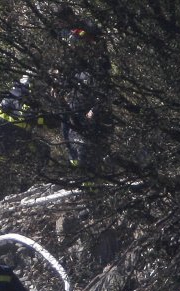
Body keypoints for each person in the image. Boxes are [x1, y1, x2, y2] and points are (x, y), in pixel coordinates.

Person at [0, 75, 60, 211]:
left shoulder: (18, 96)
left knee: (41, 151)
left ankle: (24, 193)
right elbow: (31, 116)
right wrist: (51, 119)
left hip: (8, 148)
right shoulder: (17, 97)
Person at [50, 6, 112, 175]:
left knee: (86, 127)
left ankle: (92, 168)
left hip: (89, 81)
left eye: (62, 20)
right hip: (75, 82)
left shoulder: (85, 29)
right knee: (67, 127)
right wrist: (57, 79)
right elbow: (62, 59)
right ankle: (79, 168)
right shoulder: (64, 33)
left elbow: (97, 53)